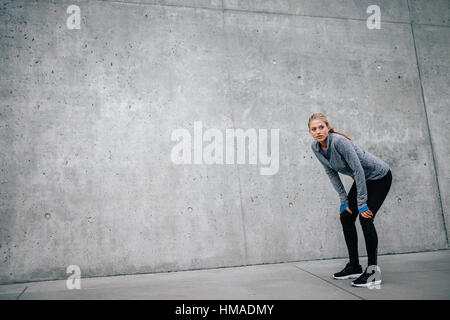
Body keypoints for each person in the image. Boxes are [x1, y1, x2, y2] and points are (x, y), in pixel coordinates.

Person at [308, 113, 392, 288]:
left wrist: (361, 204)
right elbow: (331, 172)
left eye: (321, 127)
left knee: (365, 217)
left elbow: (358, 170)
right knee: (346, 216)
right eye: (314, 129)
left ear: (328, 127)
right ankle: (354, 266)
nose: (318, 131)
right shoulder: (316, 148)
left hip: (379, 177)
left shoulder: (339, 142)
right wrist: (344, 200)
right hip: (363, 179)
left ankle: (373, 273)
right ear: (310, 132)